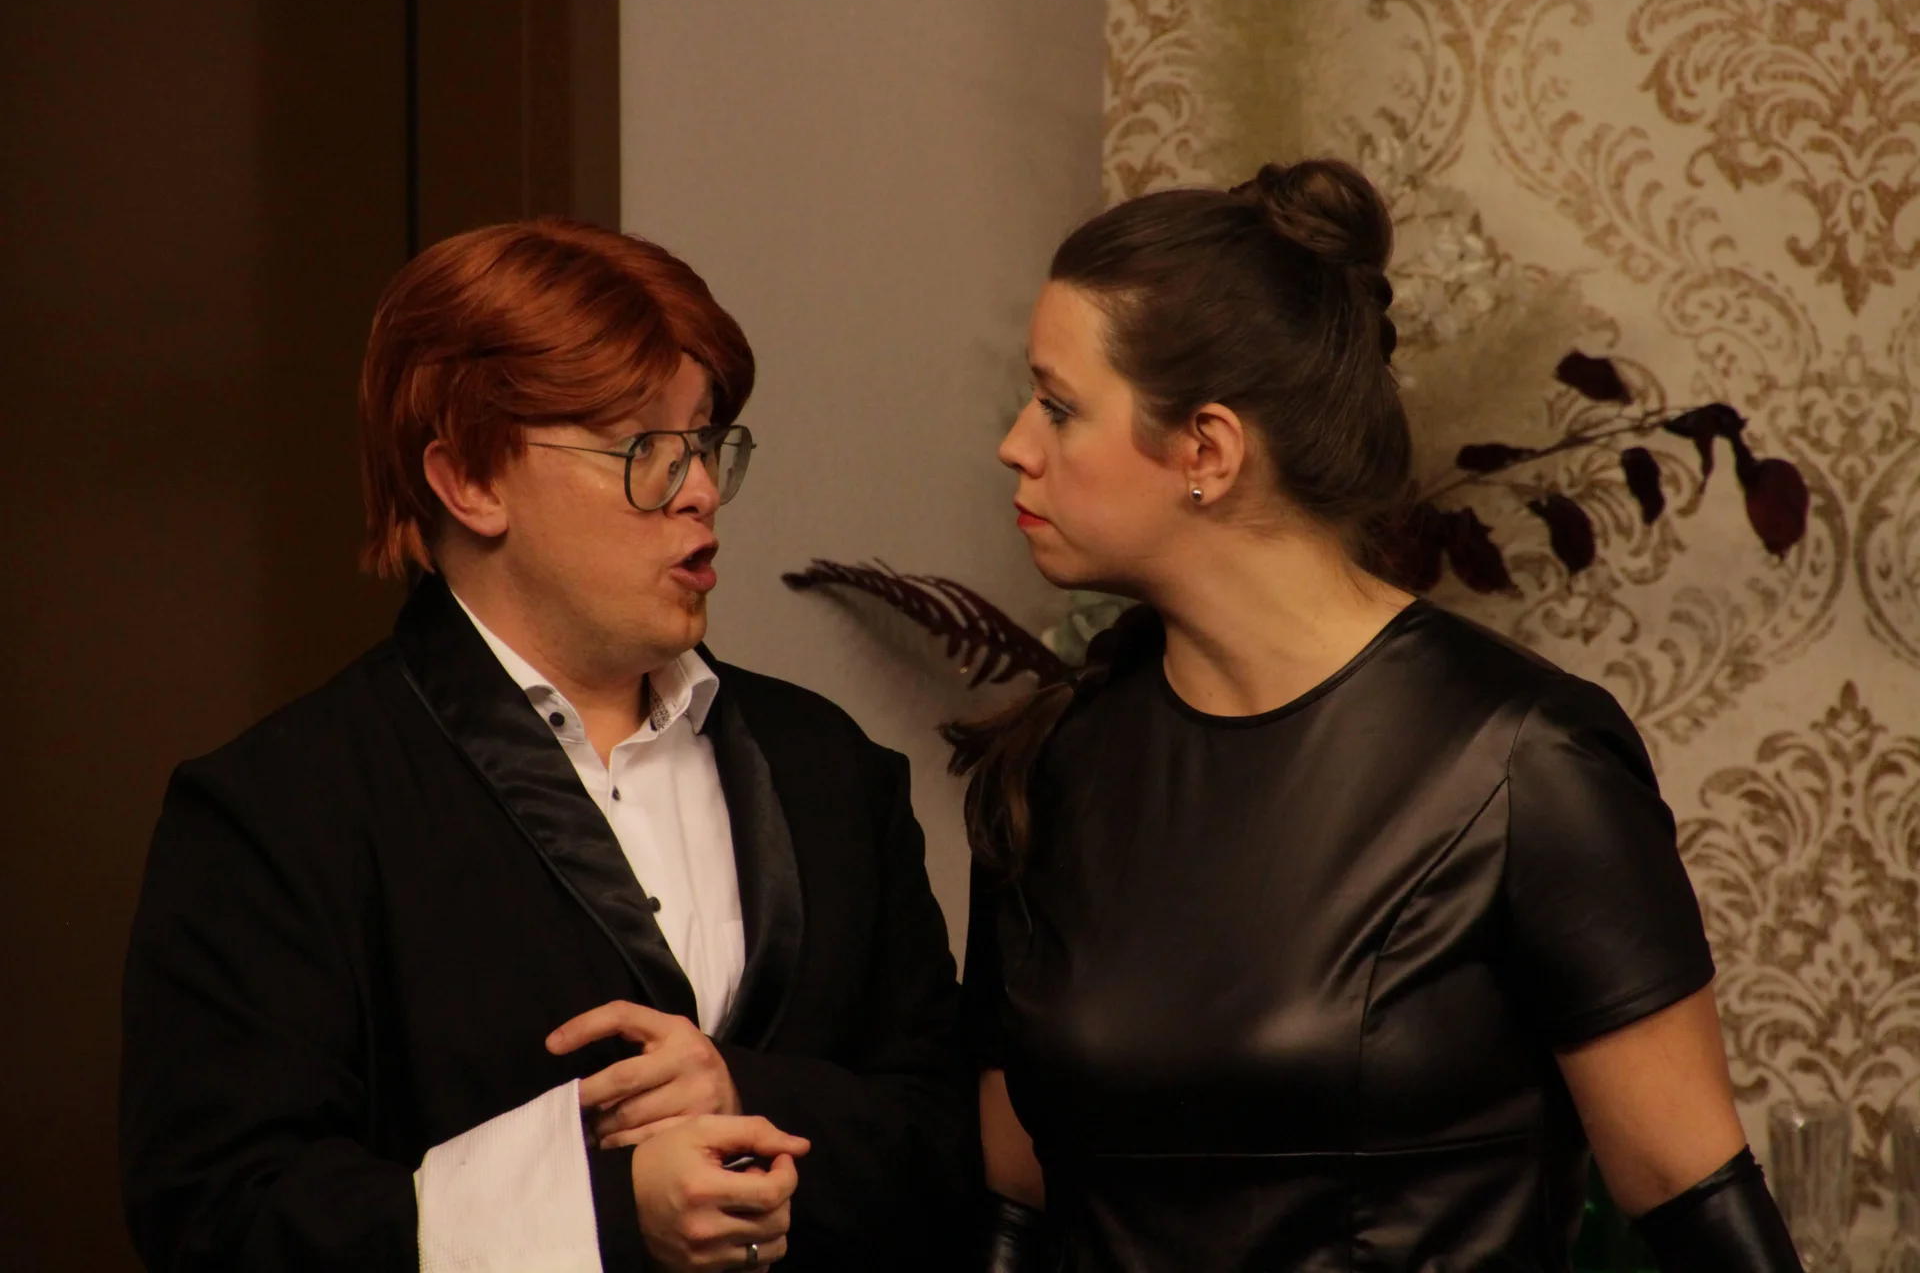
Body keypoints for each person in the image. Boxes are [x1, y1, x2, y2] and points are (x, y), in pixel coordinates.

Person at [950, 161, 1802, 1271]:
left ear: (1207, 450)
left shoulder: (1522, 761)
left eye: (1060, 406)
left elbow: (1692, 1199)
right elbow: (1015, 1207)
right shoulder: (1051, 769)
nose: (1016, 443)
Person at [121, 218, 974, 1272]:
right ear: (471, 481)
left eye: (706, 442)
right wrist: (608, 1213)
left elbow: (948, 1144)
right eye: (643, 449)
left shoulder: (828, 765)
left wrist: (742, 1090)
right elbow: (222, 1217)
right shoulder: (281, 807)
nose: (700, 488)